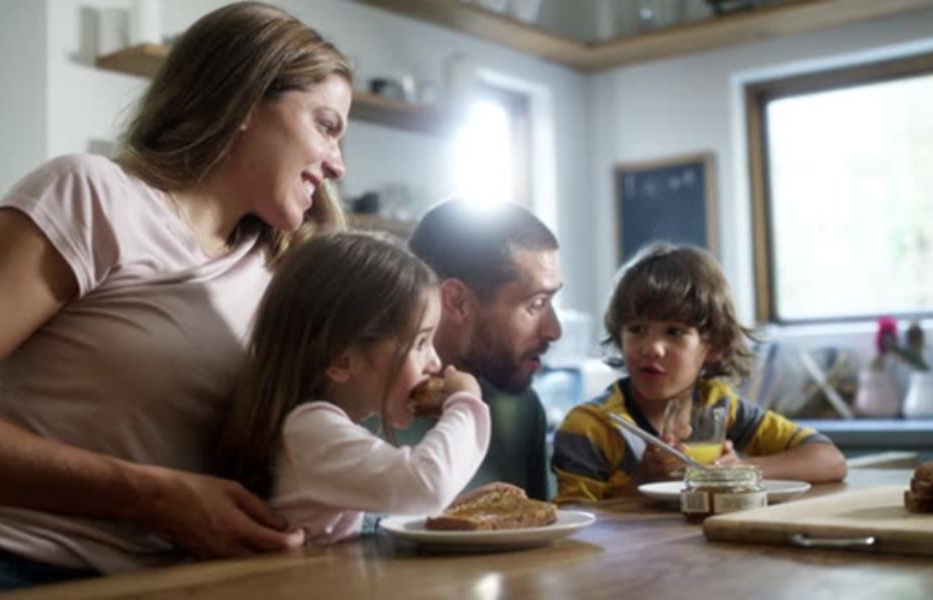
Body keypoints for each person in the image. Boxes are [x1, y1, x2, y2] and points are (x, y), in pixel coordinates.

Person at [0, 2, 351, 592]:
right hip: (15, 566)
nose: (337, 164)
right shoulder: (93, 196)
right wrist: (151, 496)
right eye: (326, 126)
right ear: (248, 100)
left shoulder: (276, 272)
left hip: (173, 582)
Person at [214, 232, 492, 545]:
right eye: (419, 343)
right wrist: (465, 400)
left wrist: (452, 509)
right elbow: (427, 486)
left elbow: (406, 500)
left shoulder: (321, 429)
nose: (436, 362)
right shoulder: (309, 430)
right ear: (342, 362)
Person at [552, 243, 846, 504]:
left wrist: (739, 471)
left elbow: (829, 460)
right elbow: (577, 523)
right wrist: (642, 480)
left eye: (674, 332)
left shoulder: (720, 408)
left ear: (714, 346)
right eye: (637, 329)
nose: (652, 348)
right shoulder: (589, 428)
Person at [403, 199, 563, 501]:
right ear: (456, 301)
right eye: (537, 304)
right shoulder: (357, 409)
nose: (554, 330)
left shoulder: (519, 409)